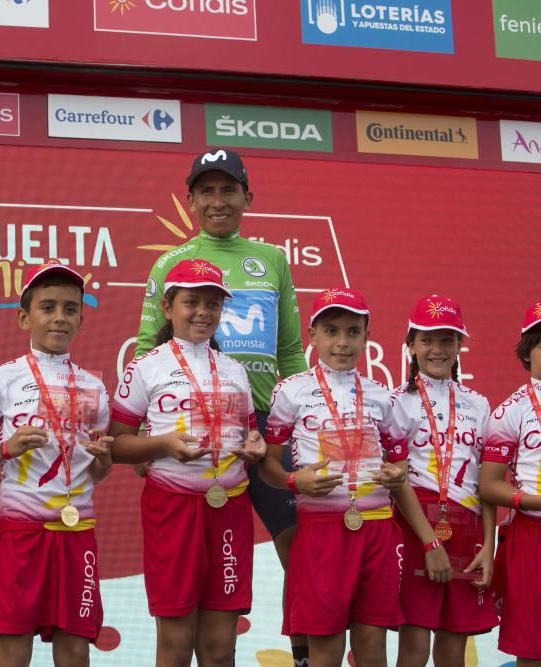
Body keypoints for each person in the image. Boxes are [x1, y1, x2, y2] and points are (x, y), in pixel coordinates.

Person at [134, 148, 309, 662]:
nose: (218, 201)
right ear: (190, 199)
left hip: (263, 428)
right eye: (206, 191)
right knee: (196, 567)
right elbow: (147, 348)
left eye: (228, 189)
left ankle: (302, 652)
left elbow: (291, 351)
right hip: (190, 431)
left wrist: (305, 419)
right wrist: (150, 432)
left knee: (298, 543)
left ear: (247, 197)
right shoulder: (169, 263)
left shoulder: (272, 259)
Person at [258, 287, 449, 667]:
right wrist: (296, 483)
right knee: (325, 653)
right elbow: (268, 467)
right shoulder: (289, 391)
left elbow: (400, 475)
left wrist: (428, 540)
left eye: (352, 332)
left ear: (366, 335)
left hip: (378, 532)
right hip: (320, 531)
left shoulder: (382, 396)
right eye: (331, 331)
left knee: (372, 651)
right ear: (312, 335)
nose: (342, 343)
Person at [109, 259, 265, 667]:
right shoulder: (145, 367)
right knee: (175, 648)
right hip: (173, 509)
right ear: (167, 307)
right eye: (191, 302)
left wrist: (255, 445)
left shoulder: (236, 370)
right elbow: (115, 445)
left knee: (219, 650)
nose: (202, 312)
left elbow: (252, 435)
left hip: (230, 507)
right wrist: (163, 445)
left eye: (212, 304)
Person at [0, 261, 113, 667]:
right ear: (23, 318)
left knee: (75, 647)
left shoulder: (94, 386)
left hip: (77, 530)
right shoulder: (1, 379)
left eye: (70, 308)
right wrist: (6, 449)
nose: (60, 318)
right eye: (47, 307)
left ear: (81, 318)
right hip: (22, 532)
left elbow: (98, 470)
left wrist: (103, 461)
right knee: (13, 646)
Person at [381, 296, 496, 667]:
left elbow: (487, 482)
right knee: (413, 651)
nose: (437, 349)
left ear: (459, 346)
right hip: (415, 529)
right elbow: (396, 480)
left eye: (447, 339)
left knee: (453, 653)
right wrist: (429, 542)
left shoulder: (479, 404)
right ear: (411, 344)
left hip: (467, 529)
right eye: (427, 339)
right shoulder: (394, 402)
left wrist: (489, 544)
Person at [479, 301, 541, 666]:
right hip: (531, 538)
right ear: (527, 353)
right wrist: (531, 501)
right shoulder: (510, 410)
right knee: (532, 649)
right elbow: (489, 484)